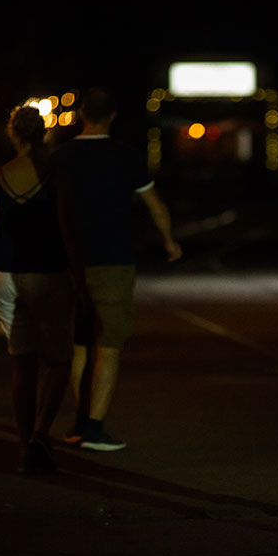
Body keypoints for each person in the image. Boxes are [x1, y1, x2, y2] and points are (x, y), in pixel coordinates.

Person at [52, 87, 182, 452]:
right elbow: (154, 204)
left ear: (81, 114)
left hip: (70, 262)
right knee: (108, 344)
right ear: (113, 116)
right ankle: (93, 427)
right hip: (114, 260)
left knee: (78, 344)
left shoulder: (60, 157)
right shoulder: (126, 156)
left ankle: (79, 422)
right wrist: (169, 241)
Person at [0, 103, 86, 474]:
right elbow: (69, 233)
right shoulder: (55, 177)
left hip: (6, 278)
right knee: (58, 361)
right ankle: (41, 434)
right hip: (49, 275)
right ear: (42, 135)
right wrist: (81, 279)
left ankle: (25, 449)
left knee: (22, 366)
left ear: (13, 135)